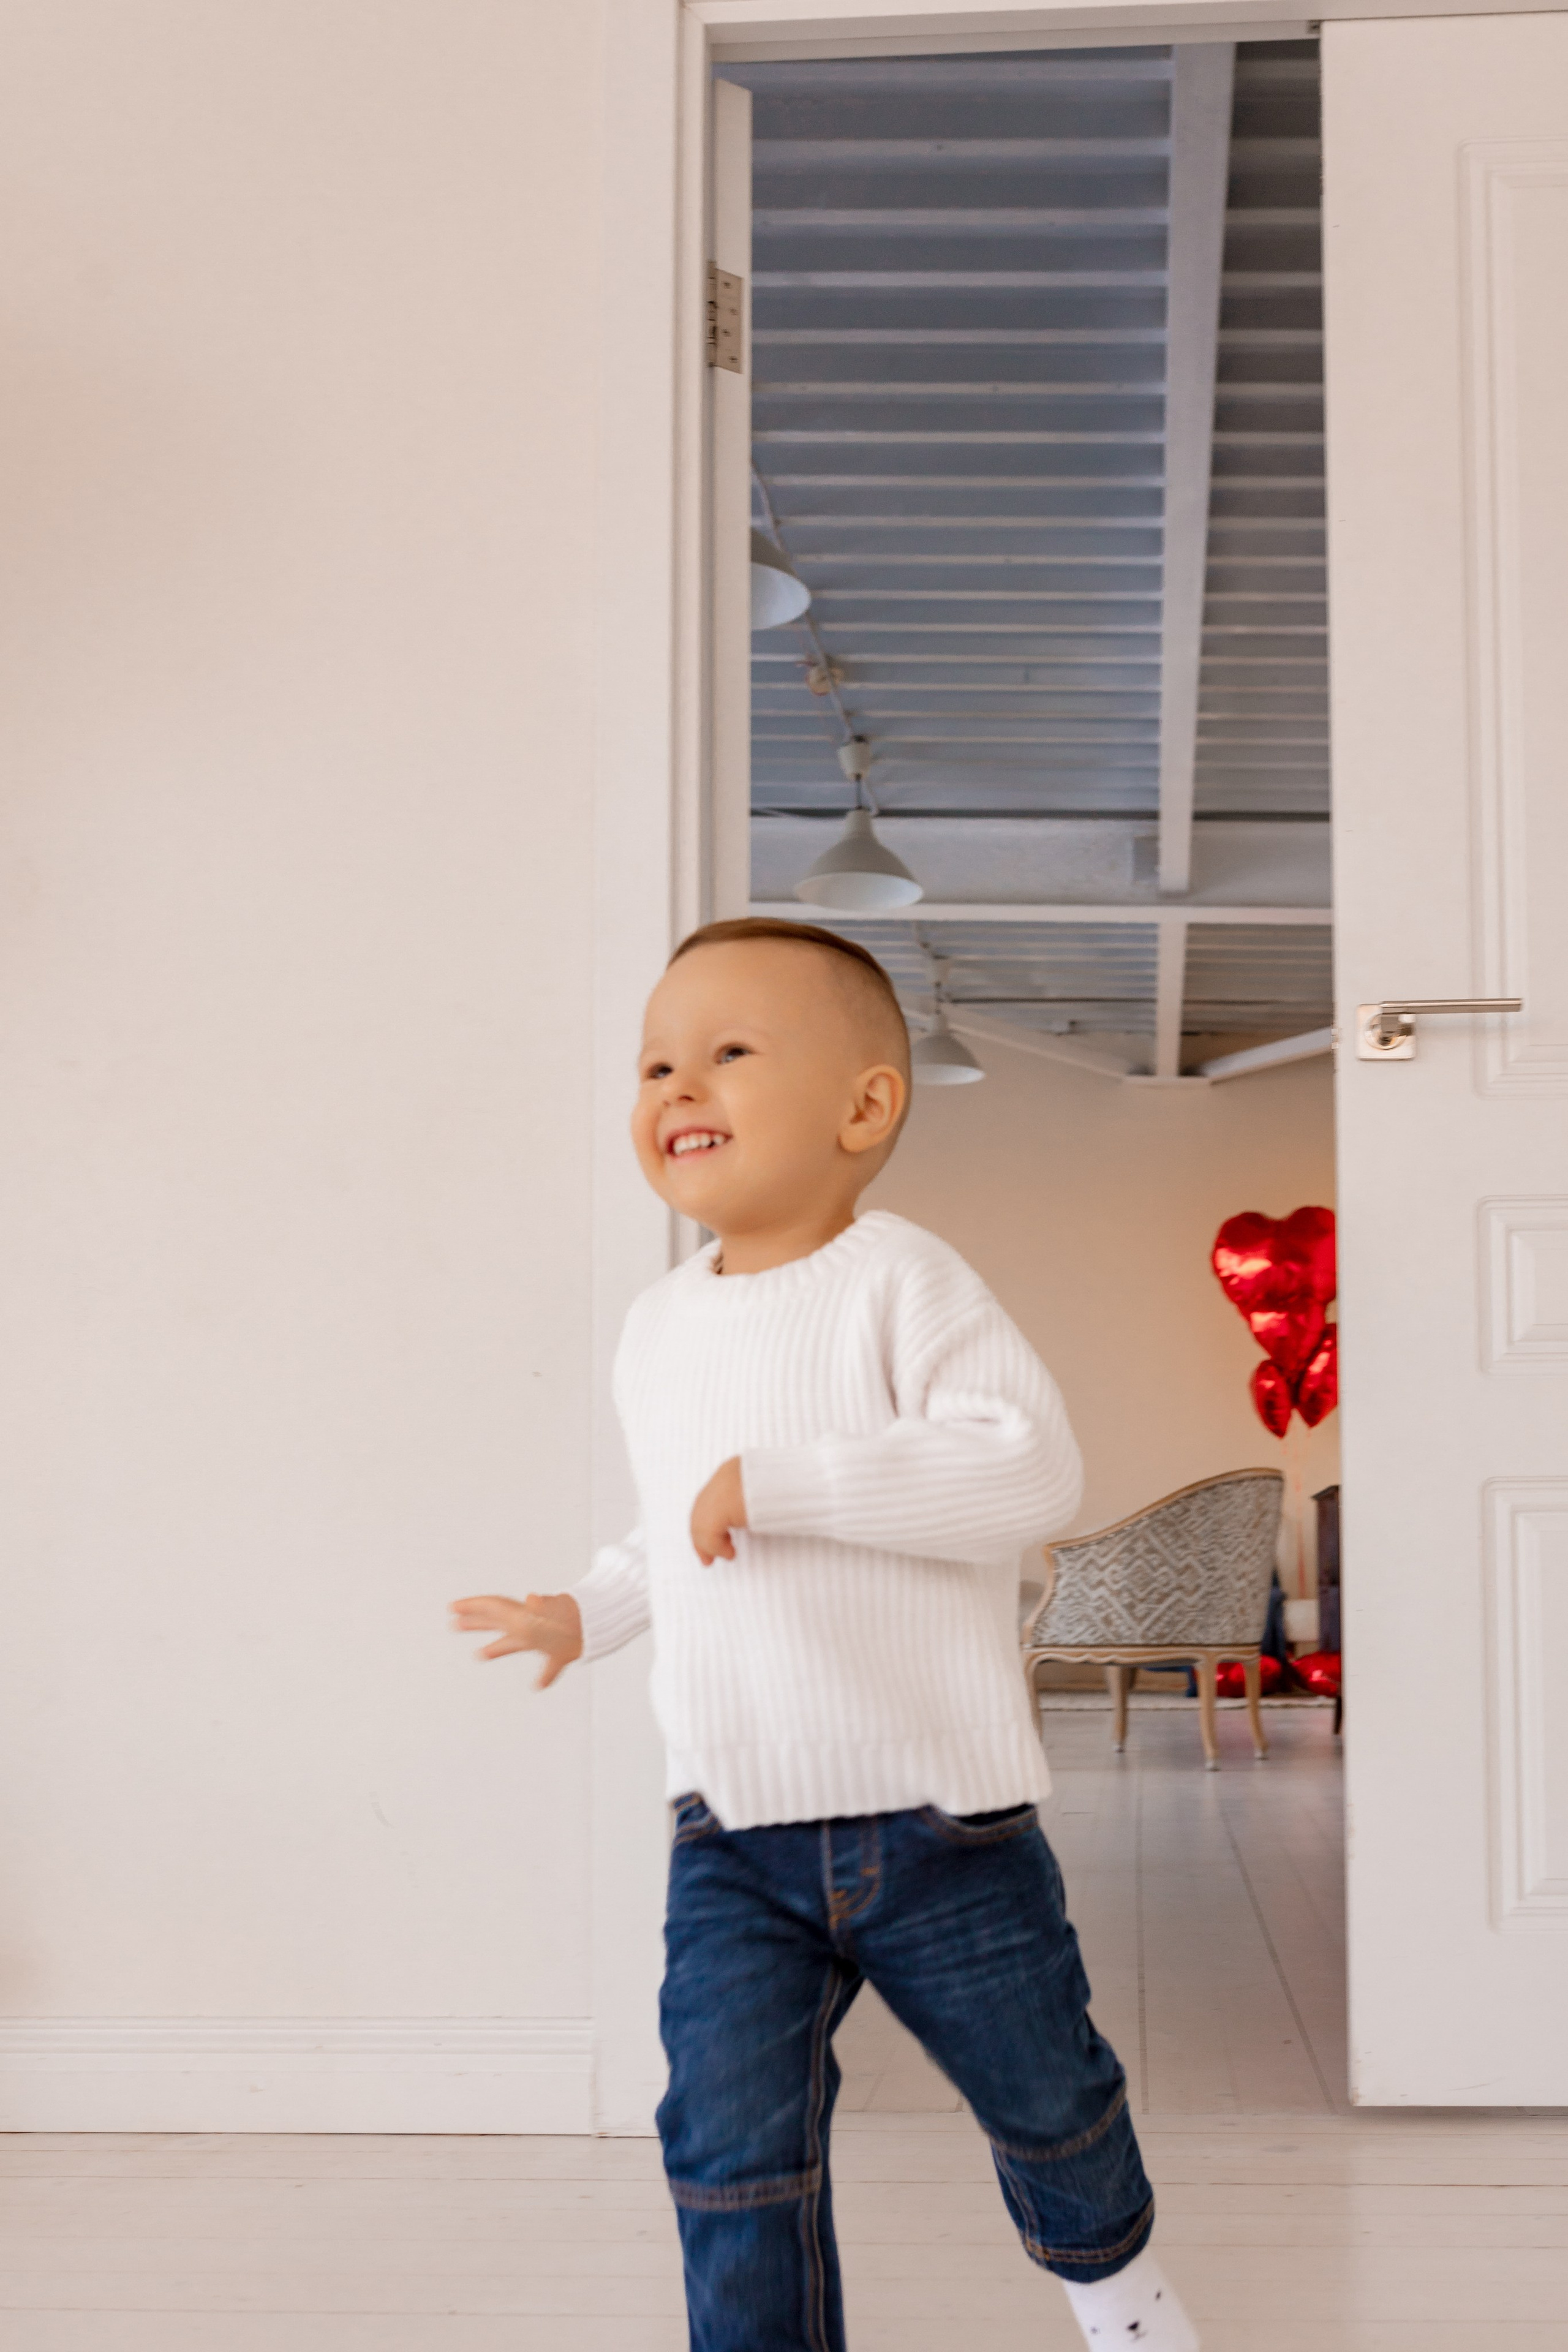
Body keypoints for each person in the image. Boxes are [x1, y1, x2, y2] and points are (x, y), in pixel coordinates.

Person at [452, 916, 1198, 2352]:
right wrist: (587, 1608)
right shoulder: (654, 1327)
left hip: (937, 1819)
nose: (678, 1087)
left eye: (728, 1052)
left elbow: (1025, 1471)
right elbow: (679, 1526)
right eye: (656, 1062)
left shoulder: (902, 1280)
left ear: (864, 1107)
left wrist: (789, 1482)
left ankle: (1122, 2300)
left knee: (1046, 2100)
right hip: (728, 1829)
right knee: (726, 2148)